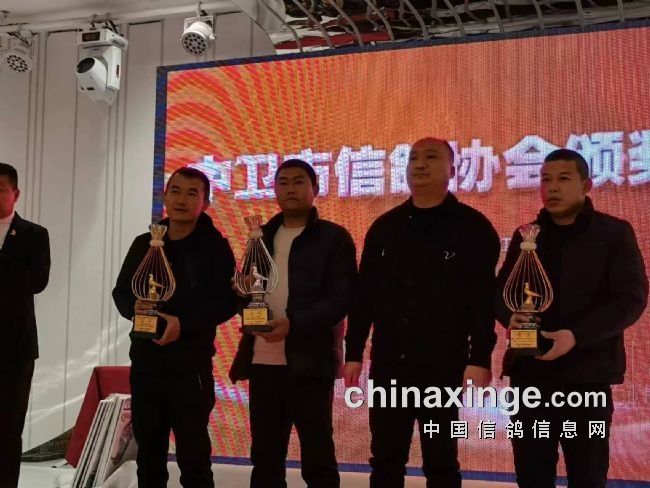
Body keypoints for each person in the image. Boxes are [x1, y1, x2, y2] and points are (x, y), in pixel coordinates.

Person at [343, 138, 501, 488]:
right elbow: (364, 296)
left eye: (431, 157)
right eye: (413, 158)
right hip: (389, 362)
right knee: (385, 459)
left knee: (441, 461)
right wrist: (353, 352)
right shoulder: (385, 226)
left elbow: (482, 301)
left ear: (452, 170)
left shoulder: (473, 227)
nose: (420, 164)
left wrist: (480, 358)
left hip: (443, 364)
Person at [495, 149, 648, 488]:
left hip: (587, 377)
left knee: (588, 475)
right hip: (531, 377)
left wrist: (576, 336)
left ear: (586, 185)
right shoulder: (527, 235)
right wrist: (510, 316)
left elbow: (631, 299)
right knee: (532, 476)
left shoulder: (614, 233)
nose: (551, 187)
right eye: (545, 179)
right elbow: (501, 293)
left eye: (563, 179)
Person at [229, 158, 357, 488]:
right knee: (265, 459)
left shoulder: (334, 238)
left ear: (316, 188)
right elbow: (249, 292)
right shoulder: (260, 237)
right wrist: (242, 295)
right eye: (283, 182)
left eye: (299, 181)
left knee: (318, 458)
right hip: (263, 362)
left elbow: (340, 299)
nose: (290, 189)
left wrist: (294, 324)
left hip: (310, 363)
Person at [113, 167, 237, 488]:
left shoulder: (215, 247)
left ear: (206, 203)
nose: (182, 199)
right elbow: (121, 292)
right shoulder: (145, 243)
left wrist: (184, 323)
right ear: (165, 196)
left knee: (194, 460)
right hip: (146, 365)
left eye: (192, 193)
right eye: (176, 191)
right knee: (148, 459)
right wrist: (134, 307)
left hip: (190, 368)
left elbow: (227, 302)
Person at [0, 162, 51, 488]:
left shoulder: (34, 234)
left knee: (7, 428)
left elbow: (37, 281)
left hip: (14, 347)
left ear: (15, 194)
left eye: (0, 189)